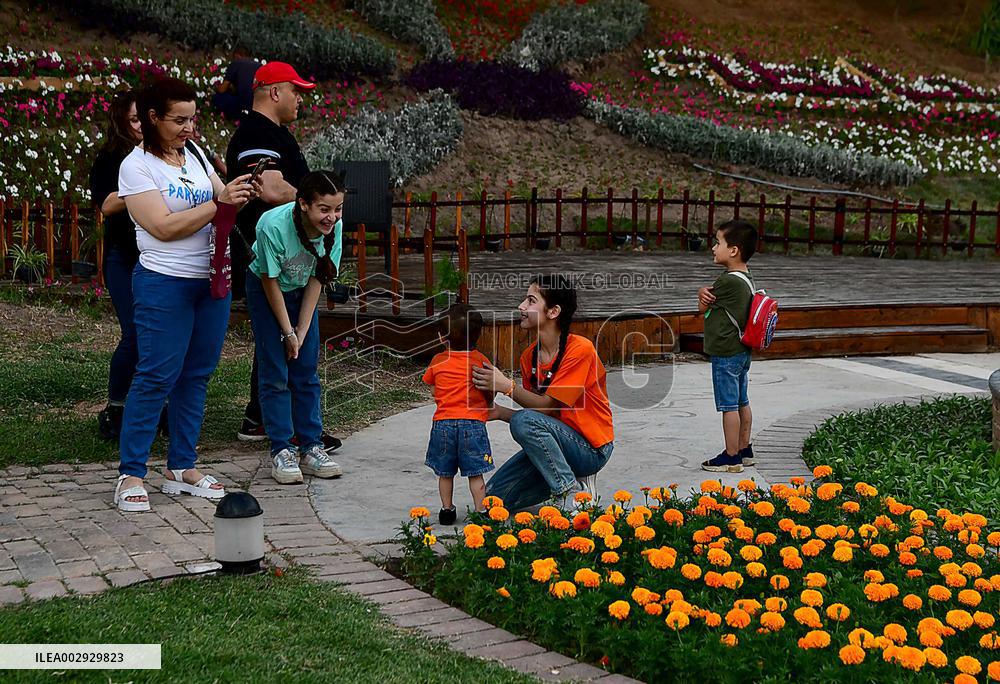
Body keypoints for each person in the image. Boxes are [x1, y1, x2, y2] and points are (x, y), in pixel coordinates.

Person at [112, 77, 259, 512]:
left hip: (210, 280)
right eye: (179, 120)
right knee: (156, 374)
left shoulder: (193, 152)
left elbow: (221, 198)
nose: (189, 128)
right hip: (164, 281)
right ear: (152, 118)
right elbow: (162, 226)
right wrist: (220, 204)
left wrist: (239, 193)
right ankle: (131, 473)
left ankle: (182, 467)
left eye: (192, 119)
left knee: (196, 374)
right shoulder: (135, 166)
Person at [225, 61, 341, 455]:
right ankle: (282, 427)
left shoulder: (274, 133)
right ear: (274, 91)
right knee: (281, 342)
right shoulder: (256, 133)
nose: (300, 99)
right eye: (296, 90)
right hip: (270, 258)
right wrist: (319, 205)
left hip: (295, 257)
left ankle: (265, 417)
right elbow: (270, 187)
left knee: (285, 342)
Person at [472, 275, 615, 511]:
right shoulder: (529, 357)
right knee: (492, 502)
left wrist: (507, 386)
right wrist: (498, 412)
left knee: (522, 420)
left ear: (553, 311)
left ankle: (568, 490)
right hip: (556, 445)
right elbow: (538, 415)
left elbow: (547, 407)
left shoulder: (580, 350)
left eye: (531, 301)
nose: (521, 306)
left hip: (590, 450)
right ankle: (568, 479)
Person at [245, 171, 345, 484]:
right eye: (324, 209)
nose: (332, 217)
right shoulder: (272, 225)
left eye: (337, 209)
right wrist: (287, 332)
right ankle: (282, 449)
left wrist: (300, 332)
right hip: (267, 291)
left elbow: (318, 278)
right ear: (303, 204)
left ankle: (311, 446)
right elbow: (270, 280)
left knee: (305, 368)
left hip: (303, 290)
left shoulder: (334, 228)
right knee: (275, 369)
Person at [89, 91, 143, 441]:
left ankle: (156, 405)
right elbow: (107, 204)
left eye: (144, 118)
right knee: (134, 334)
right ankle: (116, 406)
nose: (141, 126)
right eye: (134, 120)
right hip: (122, 258)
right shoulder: (111, 157)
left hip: (158, 257)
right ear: (122, 122)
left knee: (157, 337)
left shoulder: (164, 155)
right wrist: (142, 188)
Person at [422, 304, 494, 525]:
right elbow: (489, 388)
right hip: (473, 424)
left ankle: (447, 510)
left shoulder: (438, 361)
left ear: (442, 337)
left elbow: (433, 389)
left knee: (445, 473)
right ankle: (481, 511)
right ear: (478, 335)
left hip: (443, 424)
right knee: (476, 473)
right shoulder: (481, 361)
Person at [698, 219, 759, 474]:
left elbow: (702, 307)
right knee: (742, 400)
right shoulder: (746, 276)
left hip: (725, 352)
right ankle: (745, 450)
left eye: (718, 242)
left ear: (733, 250)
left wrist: (701, 293)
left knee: (728, 406)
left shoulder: (727, 281)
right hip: (741, 351)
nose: (714, 248)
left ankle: (731, 457)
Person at [211, 46, 260, 121]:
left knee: (217, 97)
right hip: (257, 107)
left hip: (241, 106)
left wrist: (216, 87)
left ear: (237, 55)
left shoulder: (236, 63)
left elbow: (222, 90)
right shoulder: (259, 65)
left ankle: (227, 118)